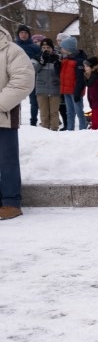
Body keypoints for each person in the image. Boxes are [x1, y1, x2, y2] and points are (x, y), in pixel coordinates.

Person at [1, 25, 35, 220]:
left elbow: (23, 81)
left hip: (3, 116)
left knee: (7, 161)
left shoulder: (12, 50)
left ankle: (11, 202)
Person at [58, 37, 88, 130]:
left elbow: (80, 79)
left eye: (63, 47)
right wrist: (57, 65)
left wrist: (77, 93)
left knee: (78, 111)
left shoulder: (78, 61)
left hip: (75, 91)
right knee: (69, 111)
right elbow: (61, 74)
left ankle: (83, 127)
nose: (61, 49)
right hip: (66, 90)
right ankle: (70, 128)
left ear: (68, 49)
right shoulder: (65, 59)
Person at [14, 24, 39, 127]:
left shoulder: (35, 47)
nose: (23, 35)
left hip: (32, 77)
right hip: (16, 76)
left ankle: (33, 121)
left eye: (25, 33)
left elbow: (40, 61)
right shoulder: (13, 46)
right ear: (18, 34)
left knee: (34, 101)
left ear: (29, 34)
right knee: (14, 99)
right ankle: (15, 120)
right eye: (21, 33)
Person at [35, 38, 62, 131]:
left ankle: (54, 129)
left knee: (54, 112)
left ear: (52, 48)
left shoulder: (58, 57)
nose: (46, 49)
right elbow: (33, 70)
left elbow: (62, 72)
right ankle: (44, 129)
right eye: (43, 47)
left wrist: (58, 65)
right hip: (41, 89)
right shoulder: (37, 57)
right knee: (44, 112)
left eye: (48, 47)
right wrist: (41, 62)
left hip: (55, 88)